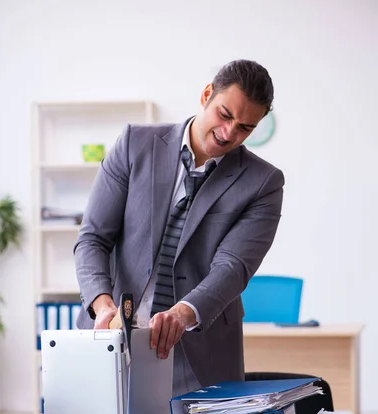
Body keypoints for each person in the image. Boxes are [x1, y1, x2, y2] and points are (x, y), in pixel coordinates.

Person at [74, 59, 284, 396]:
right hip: (111, 336)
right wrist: (102, 305)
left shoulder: (263, 182)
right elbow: (93, 238)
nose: (229, 133)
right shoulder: (134, 144)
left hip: (198, 350)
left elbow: (233, 267)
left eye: (245, 128)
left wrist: (184, 313)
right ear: (206, 95)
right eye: (225, 115)